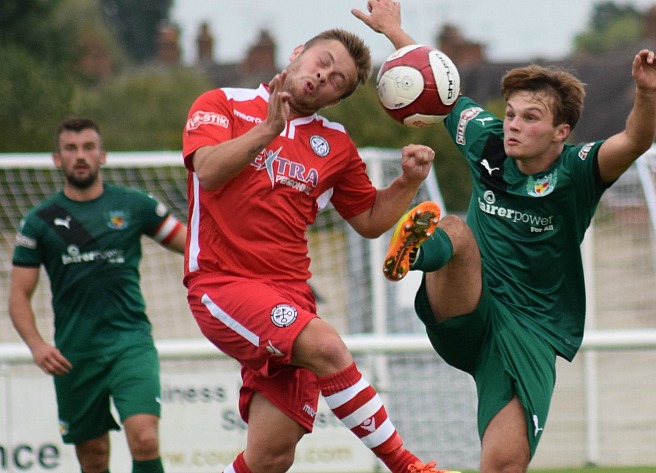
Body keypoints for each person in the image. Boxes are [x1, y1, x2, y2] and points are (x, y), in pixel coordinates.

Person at [353, 1, 656, 472]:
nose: (514, 126)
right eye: (513, 114)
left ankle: (421, 247)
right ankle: (415, 251)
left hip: (531, 329)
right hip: (468, 305)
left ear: (561, 132)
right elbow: (436, 87)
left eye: (530, 118)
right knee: (456, 229)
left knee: (505, 464)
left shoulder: (579, 171)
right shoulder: (486, 138)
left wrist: (645, 93)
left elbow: (636, 141)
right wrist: (396, 33)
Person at [182, 27, 454, 473]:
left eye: (337, 81)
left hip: (290, 296)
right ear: (298, 53)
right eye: (322, 62)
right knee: (328, 347)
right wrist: (269, 129)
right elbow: (208, 171)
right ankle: (408, 466)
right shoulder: (221, 103)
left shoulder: (336, 145)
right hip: (222, 285)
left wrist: (407, 182)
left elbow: (368, 219)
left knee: (271, 457)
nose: (323, 76)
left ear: (335, 99)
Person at [8, 117, 187, 473]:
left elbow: (194, 246)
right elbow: (17, 296)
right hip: (75, 352)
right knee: (93, 457)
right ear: (57, 159)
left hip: (129, 342)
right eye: (71, 149)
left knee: (145, 438)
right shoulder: (39, 221)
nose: (80, 156)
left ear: (102, 155)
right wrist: (37, 345)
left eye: (89, 147)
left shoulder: (135, 205)